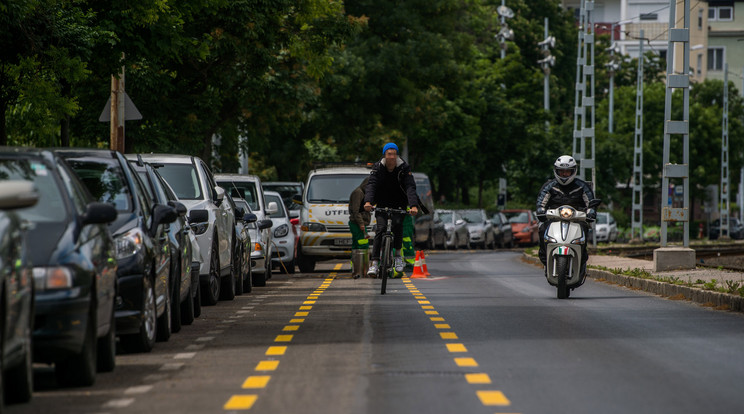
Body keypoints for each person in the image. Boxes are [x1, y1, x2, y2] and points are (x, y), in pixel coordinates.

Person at [364, 142, 419, 277]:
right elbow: (371, 185)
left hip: (399, 202)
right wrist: (368, 202)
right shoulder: (378, 167)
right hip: (382, 202)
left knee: (398, 225)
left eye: (394, 154)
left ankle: (398, 257)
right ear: (385, 155)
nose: (392, 157)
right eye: (389, 154)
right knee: (381, 229)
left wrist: (413, 206)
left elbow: (410, 187)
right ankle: (375, 263)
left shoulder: (404, 167)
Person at [536, 155, 595, 276]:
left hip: (577, 219)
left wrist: (591, 212)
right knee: (542, 229)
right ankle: (545, 258)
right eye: (561, 171)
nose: (564, 174)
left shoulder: (582, 186)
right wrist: (541, 210)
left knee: (584, 229)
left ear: (574, 171)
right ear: (556, 171)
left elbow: (590, 202)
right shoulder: (549, 186)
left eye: (567, 171)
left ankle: (582, 259)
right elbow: (541, 201)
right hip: (553, 219)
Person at [349, 176, 371, 279]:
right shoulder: (359, 193)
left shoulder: (361, 192)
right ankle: (362, 271)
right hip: (357, 224)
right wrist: (361, 224)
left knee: (356, 246)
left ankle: (356, 271)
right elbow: (356, 211)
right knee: (362, 245)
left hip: (357, 223)